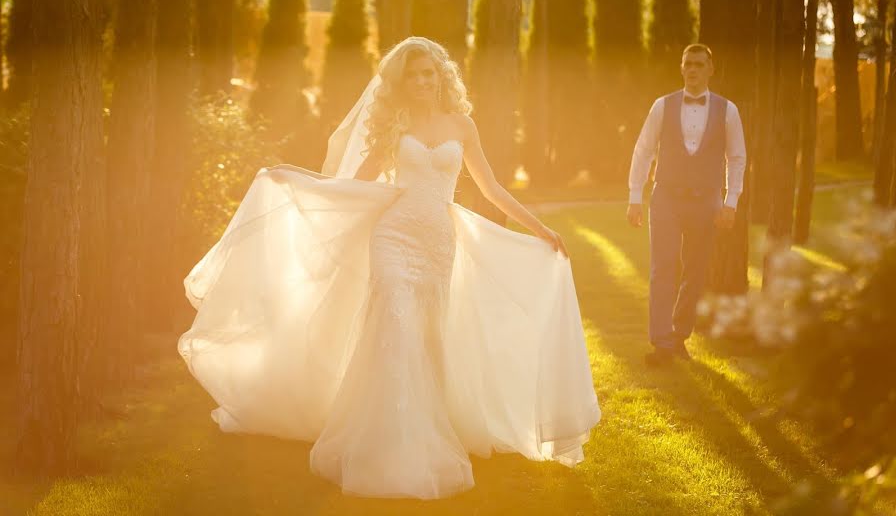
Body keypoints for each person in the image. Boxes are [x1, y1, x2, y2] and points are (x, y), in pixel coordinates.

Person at [178, 37, 600, 499]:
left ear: (442, 76)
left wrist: (540, 230)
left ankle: (424, 429)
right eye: (414, 75)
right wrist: (295, 179)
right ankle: (385, 445)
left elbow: (492, 188)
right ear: (402, 82)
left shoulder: (462, 125)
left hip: (439, 243)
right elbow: (351, 186)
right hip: (393, 238)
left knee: (430, 339)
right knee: (395, 332)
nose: (423, 82)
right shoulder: (394, 126)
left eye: (429, 73)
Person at [627, 43, 747, 367]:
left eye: (699, 64)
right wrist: (635, 197)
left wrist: (730, 202)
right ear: (681, 68)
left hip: (707, 200)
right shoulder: (661, 107)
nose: (692, 69)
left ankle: (679, 335)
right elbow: (643, 151)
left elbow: (736, 158)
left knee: (695, 272)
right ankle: (661, 343)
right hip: (666, 197)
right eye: (688, 64)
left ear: (711, 69)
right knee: (662, 266)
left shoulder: (728, 111)